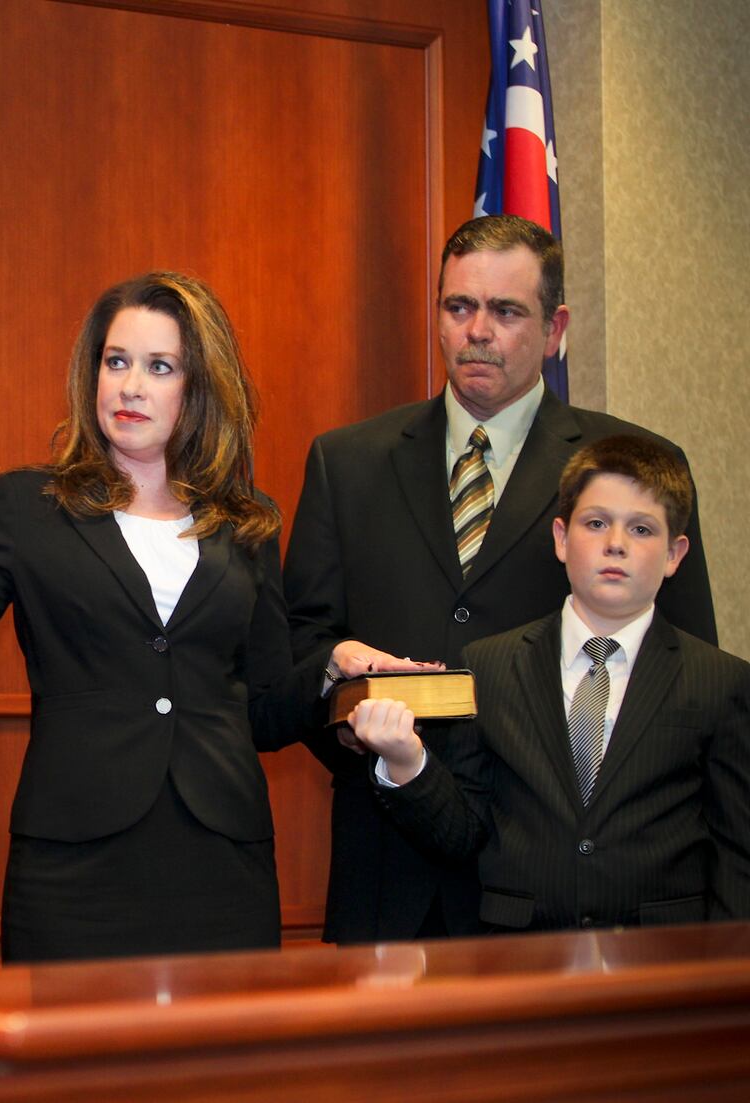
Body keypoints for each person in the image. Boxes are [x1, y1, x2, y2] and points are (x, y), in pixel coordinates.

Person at [0, 272, 415, 963]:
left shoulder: (247, 524)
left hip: (221, 866)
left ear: (199, 387)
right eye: (116, 362)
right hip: (74, 873)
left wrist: (330, 666)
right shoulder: (29, 507)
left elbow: (261, 710)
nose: (131, 386)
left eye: (159, 366)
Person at [283, 214, 717, 944]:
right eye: (459, 307)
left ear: (555, 329)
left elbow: (685, 669)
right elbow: (299, 653)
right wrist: (355, 725)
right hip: (391, 870)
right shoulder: (346, 463)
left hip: (557, 878)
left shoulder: (633, 467)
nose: (477, 330)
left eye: (507, 311)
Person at [347, 436, 750, 932]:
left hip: (662, 962)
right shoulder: (492, 666)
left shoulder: (720, 681)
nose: (616, 543)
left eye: (642, 529)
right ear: (561, 538)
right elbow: (465, 832)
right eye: (596, 522)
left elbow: (738, 855)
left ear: (674, 554)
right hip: (521, 958)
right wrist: (408, 762)